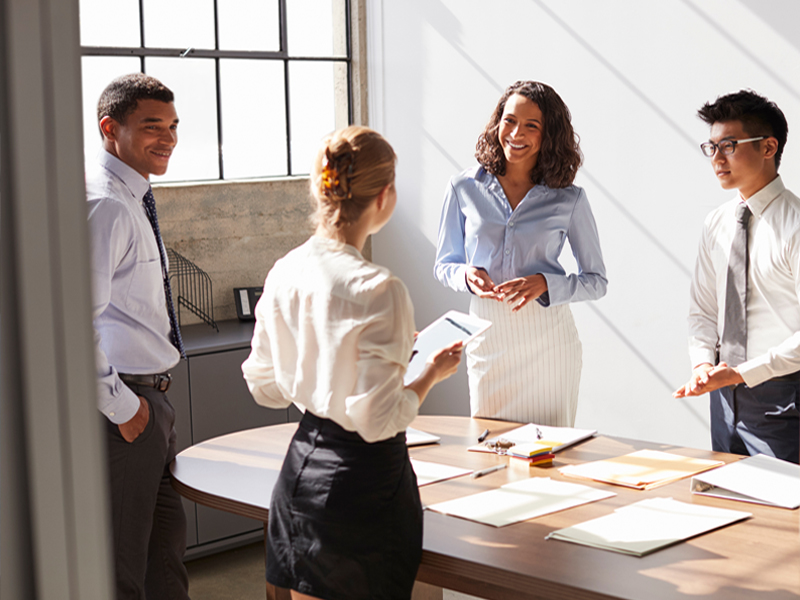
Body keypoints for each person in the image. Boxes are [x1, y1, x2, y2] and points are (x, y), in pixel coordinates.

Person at [241, 126, 463, 600]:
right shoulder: (379, 288)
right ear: (385, 196)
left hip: (300, 473)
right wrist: (428, 374)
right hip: (363, 486)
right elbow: (379, 418)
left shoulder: (285, 269)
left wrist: (335, 365)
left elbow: (265, 386)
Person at [434, 80, 607, 426]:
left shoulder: (569, 199)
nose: (516, 133)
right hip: (487, 335)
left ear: (549, 135)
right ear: (497, 122)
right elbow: (444, 264)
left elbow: (596, 281)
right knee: (489, 447)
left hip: (550, 344)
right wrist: (466, 276)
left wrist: (546, 283)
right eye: (509, 120)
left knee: (551, 457)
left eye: (532, 125)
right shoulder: (464, 187)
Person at [87, 73, 191, 599]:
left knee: (164, 550)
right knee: (125, 565)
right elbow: (72, 324)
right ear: (111, 128)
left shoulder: (133, 197)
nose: (168, 138)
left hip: (152, 400)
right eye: (153, 126)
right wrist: (123, 407)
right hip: (126, 405)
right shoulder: (106, 204)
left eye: (173, 126)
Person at [674, 90, 800, 464]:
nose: (716, 158)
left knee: (783, 516)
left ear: (768, 147)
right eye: (710, 147)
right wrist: (702, 366)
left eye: (728, 145)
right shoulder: (716, 224)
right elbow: (703, 311)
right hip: (722, 397)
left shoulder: (795, 225)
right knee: (728, 505)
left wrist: (744, 373)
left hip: (783, 396)